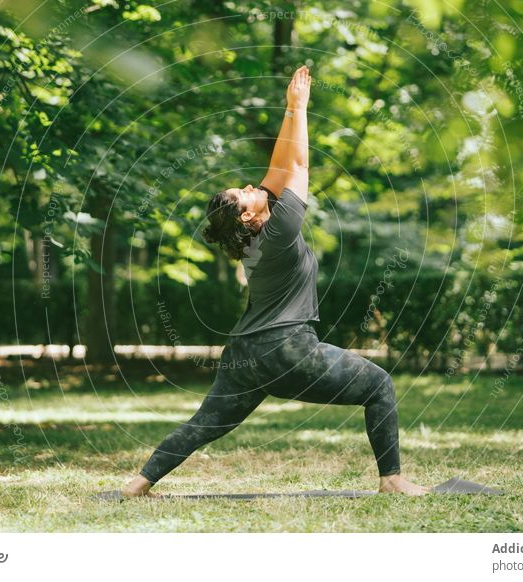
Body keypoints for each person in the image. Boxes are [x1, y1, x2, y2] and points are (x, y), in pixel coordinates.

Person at [123, 66, 429, 497]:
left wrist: (290, 109)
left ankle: (138, 484)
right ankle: (392, 481)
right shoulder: (281, 228)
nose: (251, 185)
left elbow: (279, 165)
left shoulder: (252, 238)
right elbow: (299, 163)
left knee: (204, 425)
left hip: (246, 353)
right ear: (249, 215)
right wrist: (301, 107)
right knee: (379, 384)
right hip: (289, 350)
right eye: (244, 192)